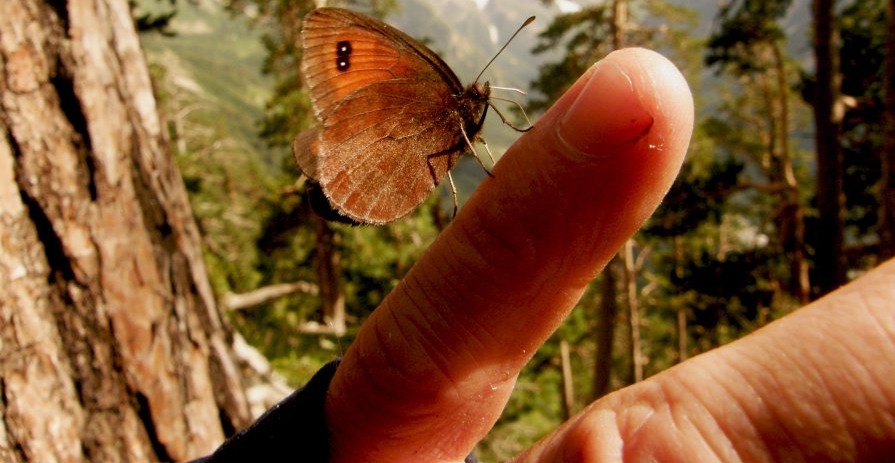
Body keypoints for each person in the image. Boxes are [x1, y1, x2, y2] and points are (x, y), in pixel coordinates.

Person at [197, 48, 895, 462]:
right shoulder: (436, 98)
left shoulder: (461, 109)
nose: (479, 99)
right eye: (477, 97)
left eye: (479, 98)